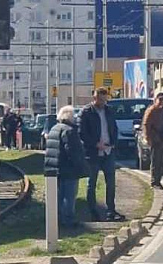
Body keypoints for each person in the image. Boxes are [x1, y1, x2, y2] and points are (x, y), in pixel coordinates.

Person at [79, 88, 124, 222]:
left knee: (110, 182)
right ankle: (93, 212)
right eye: (99, 99)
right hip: (93, 153)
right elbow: (82, 133)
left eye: (104, 100)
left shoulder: (109, 111)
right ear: (94, 98)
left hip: (108, 151)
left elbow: (114, 128)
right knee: (91, 183)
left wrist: (113, 143)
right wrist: (95, 144)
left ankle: (111, 210)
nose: (102, 102)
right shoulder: (86, 112)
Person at [44, 105, 90, 227]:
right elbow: (73, 151)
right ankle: (69, 220)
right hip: (68, 168)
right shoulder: (69, 131)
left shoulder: (54, 128)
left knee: (58, 196)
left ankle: (57, 219)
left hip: (54, 168)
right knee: (69, 196)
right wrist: (81, 165)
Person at [142, 92, 163, 190]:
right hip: (154, 139)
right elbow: (146, 124)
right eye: (160, 100)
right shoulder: (151, 110)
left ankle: (158, 181)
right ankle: (154, 182)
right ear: (156, 100)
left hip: (162, 139)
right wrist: (147, 138)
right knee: (155, 161)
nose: (161, 102)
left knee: (161, 161)